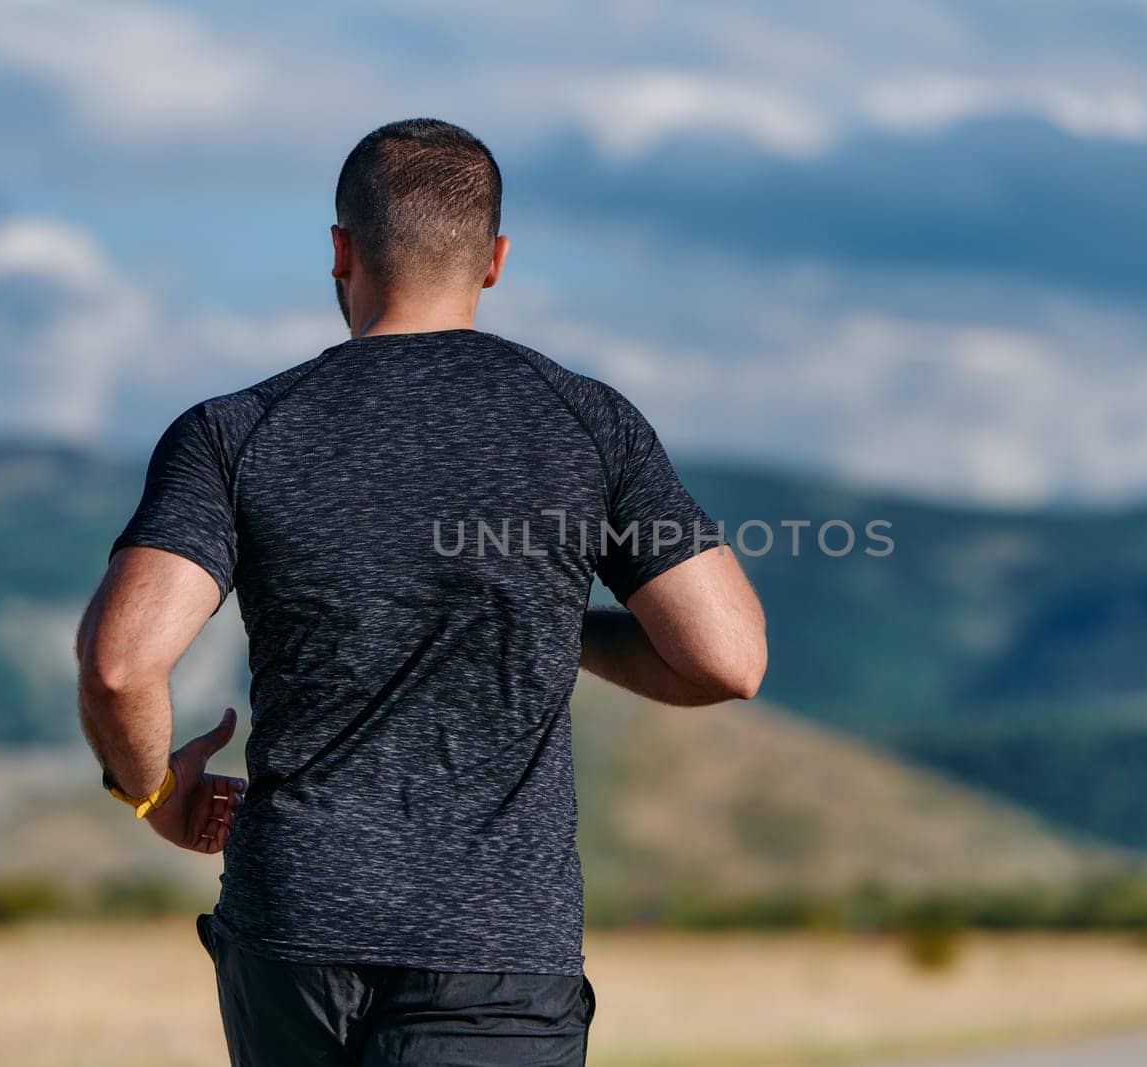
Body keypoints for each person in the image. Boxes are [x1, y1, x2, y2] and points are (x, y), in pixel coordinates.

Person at [74, 117, 767, 1067]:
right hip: (496, 948)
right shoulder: (586, 423)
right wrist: (556, 623)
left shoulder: (234, 431)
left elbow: (119, 667)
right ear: (495, 262)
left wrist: (152, 791)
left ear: (341, 250)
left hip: (293, 932)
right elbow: (727, 657)